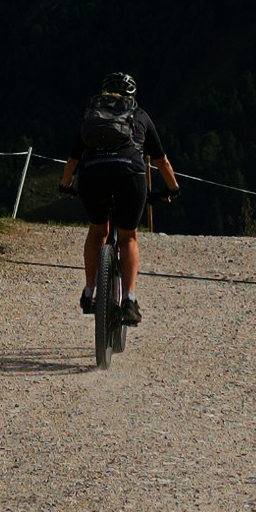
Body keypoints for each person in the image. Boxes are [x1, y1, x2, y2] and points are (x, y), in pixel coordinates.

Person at [65, 71, 176, 330]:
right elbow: (161, 161)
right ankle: (129, 300)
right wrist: (173, 188)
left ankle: (89, 292)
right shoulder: (140, 115)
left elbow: (73, 159)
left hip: (93, 175)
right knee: (128, 238)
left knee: (97, 231)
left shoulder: (91, 115)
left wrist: (65, 185)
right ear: (132, 94)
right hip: (130, 175)